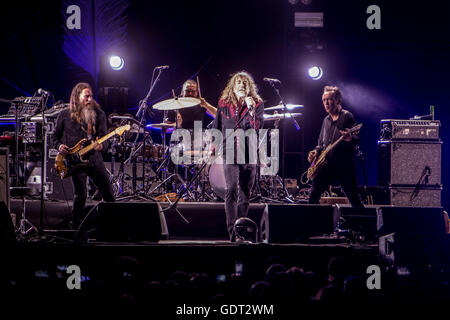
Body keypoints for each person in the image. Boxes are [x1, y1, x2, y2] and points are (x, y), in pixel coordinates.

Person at [53, 82, 115, 227]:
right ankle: (76, 226)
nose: (89, 99)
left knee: (109, 195)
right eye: (86, 96)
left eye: (91, 96)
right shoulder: (64, 115)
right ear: (77, 97)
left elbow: (104, 137)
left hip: (94, 160)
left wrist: (101, 146)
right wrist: (59, 146)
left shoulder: (99, 114)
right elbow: (54, 137)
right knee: (80, 195)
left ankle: (112, 225)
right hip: (75, 161)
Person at [212, 71, 264, 241]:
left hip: (249, 152)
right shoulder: (223, 103)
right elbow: (217, 125)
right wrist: (213, 144)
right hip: (230, 151)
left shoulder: (257, 103)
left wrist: (250, 110)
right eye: (238, 82)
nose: (242, 85)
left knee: (245, 193)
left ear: (249, 87)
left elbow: (256, 127)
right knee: (231, 189)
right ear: (233, 87)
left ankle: (241, 230)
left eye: (245, 83)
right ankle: (232, 233)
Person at [307, 85, 364, 207]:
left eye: (330, 99)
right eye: (324, 100)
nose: (326, 103)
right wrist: (315, 151)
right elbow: (321, 144)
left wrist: (349, 138)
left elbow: (356, 139)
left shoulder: (347, 116)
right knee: (312, 196)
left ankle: (363, 225)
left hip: (343, 166)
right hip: (326, 166)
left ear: (338, 100)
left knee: (355, 200)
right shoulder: (325, 120)